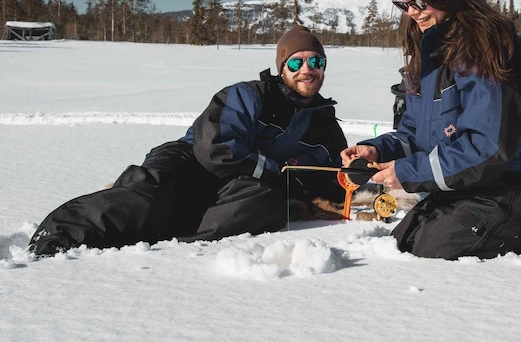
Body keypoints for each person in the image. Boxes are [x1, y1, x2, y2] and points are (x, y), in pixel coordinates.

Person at [29, 25, 347, 257]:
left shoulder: (324, 124)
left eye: (316, 62)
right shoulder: (249, 95)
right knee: (152, 196)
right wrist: (276, 171)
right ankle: (60, 232)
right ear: (282, 67)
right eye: (297, 62)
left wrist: (353, 178)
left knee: (269, 206)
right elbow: (217, 148)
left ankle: (166, 238)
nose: (307, 70)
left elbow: (335, 177)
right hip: (191, 160)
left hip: (244, 185)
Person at [341, 0, 521, 259]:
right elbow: (414, 136)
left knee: (425, 256)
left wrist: (407, 172)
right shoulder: (430, 54)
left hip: (501, 192)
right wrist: (378, 151)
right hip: (457, 190)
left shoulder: (483, 46)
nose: (412, 11)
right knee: (401, 243)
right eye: (404, 3)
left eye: (420, 1)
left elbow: (487, 147)